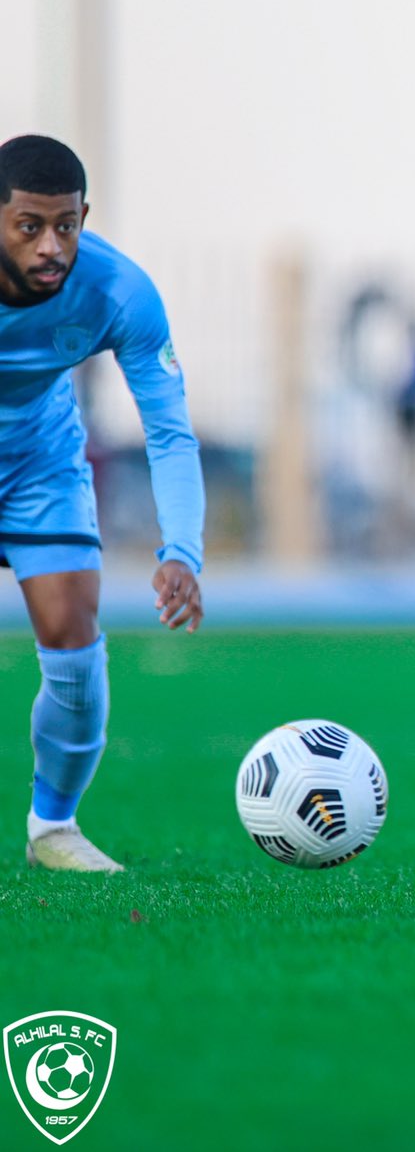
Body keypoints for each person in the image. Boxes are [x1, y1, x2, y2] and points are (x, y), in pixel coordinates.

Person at [0, 134, 205, 873]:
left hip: (38, 465)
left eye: (66, 225)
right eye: (29, 226)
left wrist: (181, 549)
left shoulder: (120, 291)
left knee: (73, 640)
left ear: (85, 215)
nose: (51, 245)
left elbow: (171, 433)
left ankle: (53, 828)